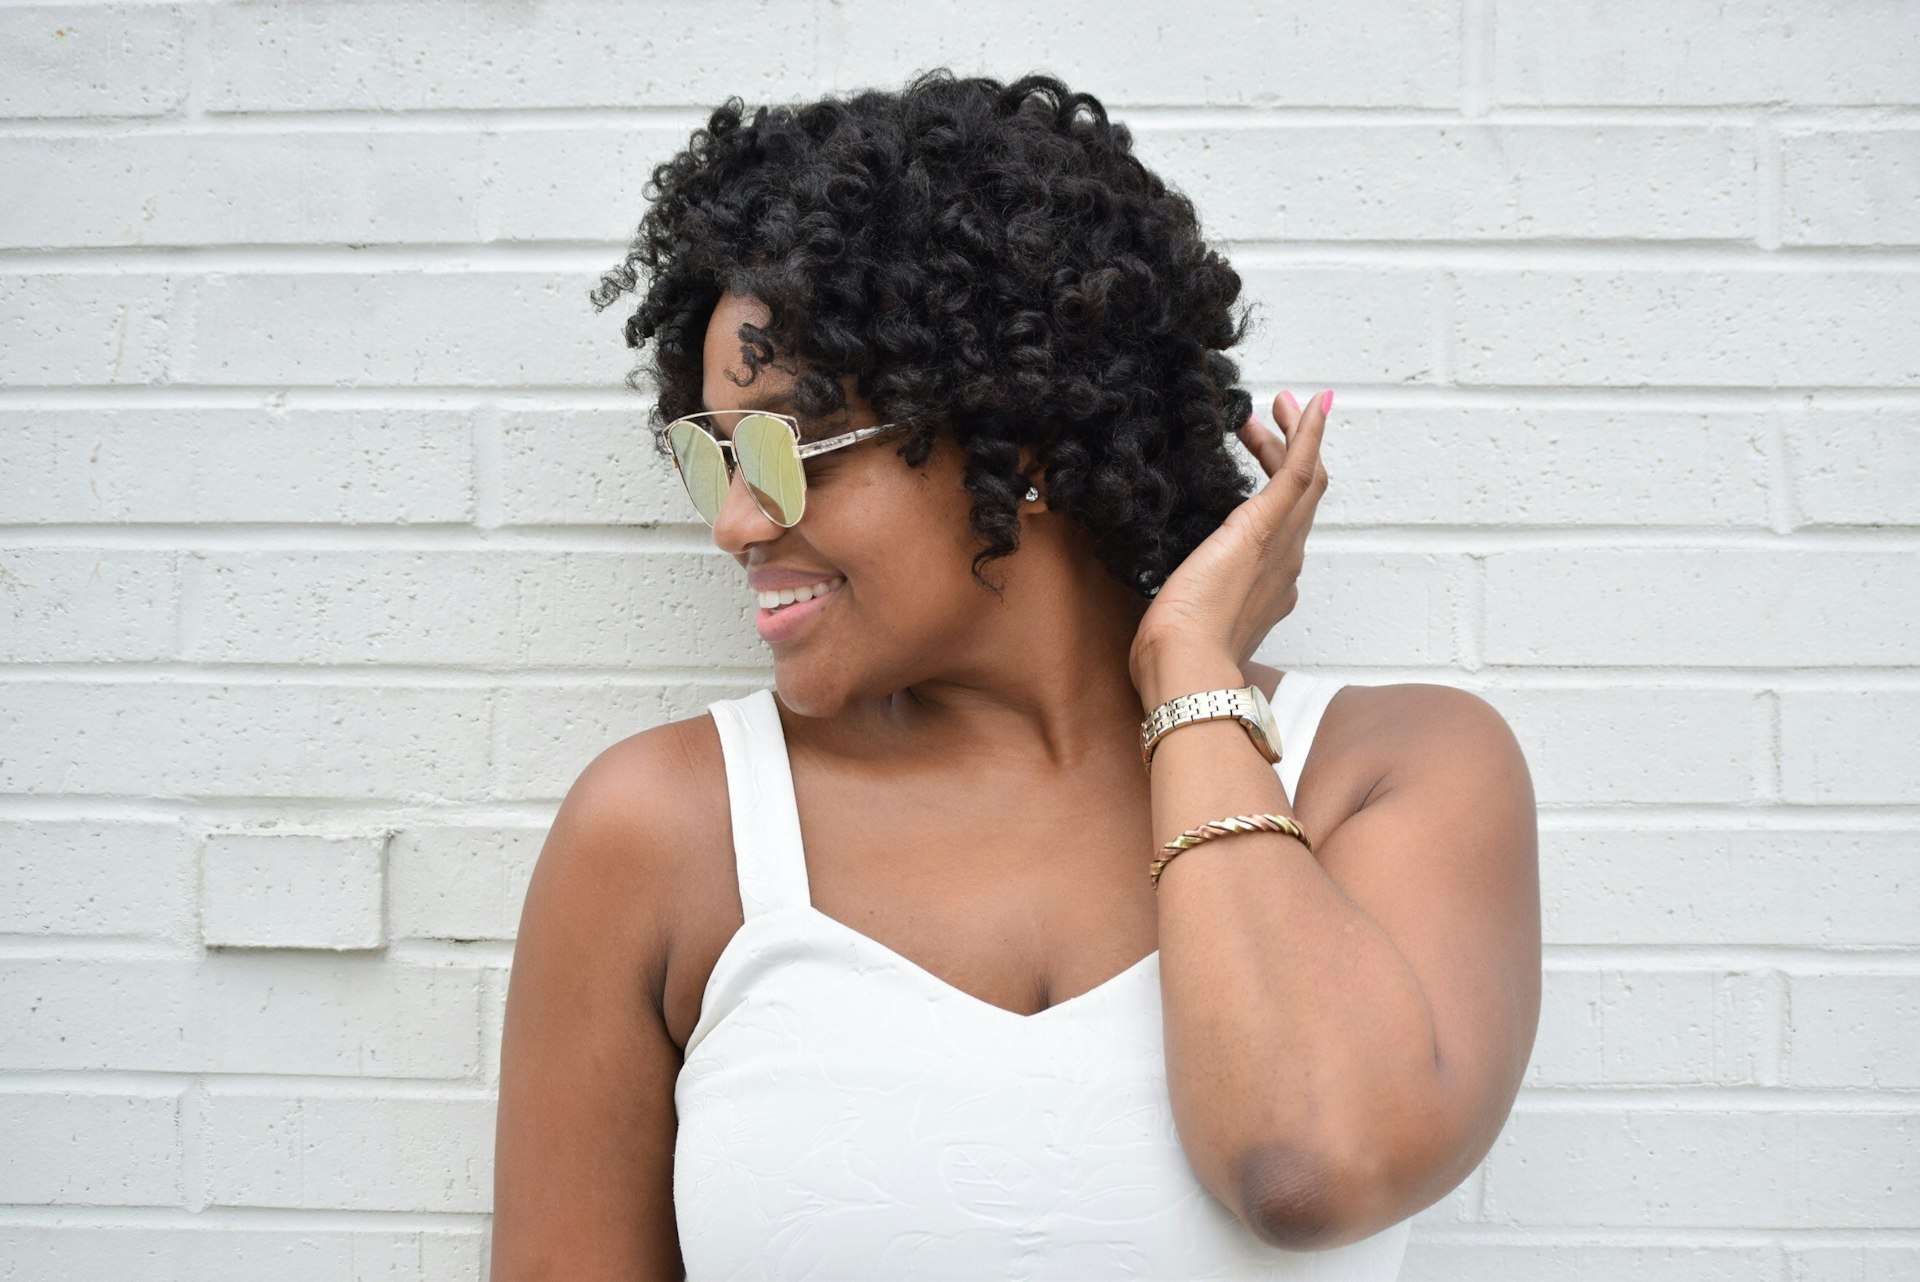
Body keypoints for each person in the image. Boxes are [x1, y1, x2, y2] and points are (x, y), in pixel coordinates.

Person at [489, 69, 1540, 1280]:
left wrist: (1187, 668)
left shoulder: (1391, 777)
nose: (734, 522)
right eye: (709, 452)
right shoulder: (665, 831)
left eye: (781, 446)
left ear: (1015, 433)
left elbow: (1305, 1164)